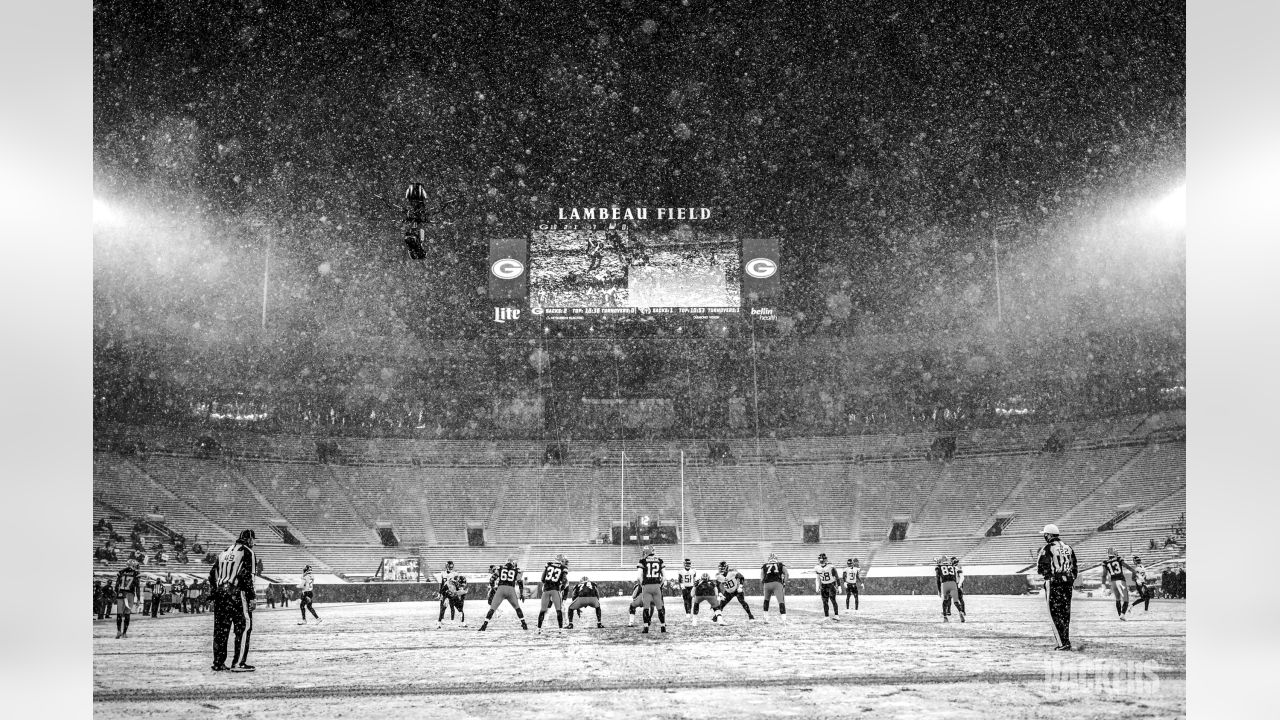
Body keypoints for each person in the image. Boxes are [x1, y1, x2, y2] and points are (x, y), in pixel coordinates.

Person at [210, 529, 257, 672]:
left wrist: (214, 593)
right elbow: (246, 576)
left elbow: (212, 574)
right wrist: (251, 597)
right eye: (253, 540)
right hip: (236, 594)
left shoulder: (224, 552)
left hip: (220, 594)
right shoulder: (248, 552)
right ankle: (238, 662)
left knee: (220, 630)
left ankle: (218, 662)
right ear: (249, 540)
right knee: (244, 627)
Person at [1036, 524, 1078, 651]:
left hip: (1054, 582)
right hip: (1067, 582)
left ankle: (1062, 643)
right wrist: (1070, 578)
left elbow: (1041, 567)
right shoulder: (1068, 547)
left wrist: (1049, 576)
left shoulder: (1048, 548)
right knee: (1065, 613)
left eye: (1045, 534)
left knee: (1054, 614)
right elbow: (1074, 565)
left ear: (1048, 535)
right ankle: (1066, 639)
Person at [477, 556, 528, 631]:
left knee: (492, 608)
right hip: (511, 589)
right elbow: (520, 582)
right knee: (517, 608)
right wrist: (521, 594)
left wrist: (493, 587)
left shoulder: (501, 568)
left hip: (501, 589)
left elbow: (492, 579)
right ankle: (524, 624)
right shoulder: (515, 570)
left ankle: (484, 625)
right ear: (513, 563)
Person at [636, 545, 667, 634]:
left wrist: (642, 585)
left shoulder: (642, 561)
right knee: (660, 608)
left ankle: (646, 627)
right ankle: (663, 626)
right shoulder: (660, 560)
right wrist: (659, 585)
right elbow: (664, 577)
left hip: (647, 586)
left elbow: (639, 576)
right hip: (657, 586)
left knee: (646, 608)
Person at [536, 554, 569, 632]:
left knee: (543, 610)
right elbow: (564, 580)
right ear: (561, 560)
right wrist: (561, 587)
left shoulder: (548, 565)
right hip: (555, 590)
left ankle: (538, 628)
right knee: (558, 610)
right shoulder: (563, 568)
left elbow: (542, 578)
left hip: (546, 590)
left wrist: (547, 583)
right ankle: (560, 629)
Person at [113, 558, 142, 638]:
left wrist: (117, 594)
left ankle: (118, 631)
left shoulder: (121, 572)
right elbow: (137, 588)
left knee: (119, 614)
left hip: (121, 593)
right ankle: (124, 633)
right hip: (130, 594)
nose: (137, 567)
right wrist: (138, 599)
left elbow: (116, 587)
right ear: (132, 565)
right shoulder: (136, 573)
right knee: (127, 614)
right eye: (136, 566)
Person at [1100, 548, 1133, 620]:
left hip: (1113, 582)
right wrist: (1134, 571)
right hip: (1121, 580)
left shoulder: (1105, 562)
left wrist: (1103, 585)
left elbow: (1104, 575)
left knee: (1117, 599)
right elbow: (1126, 566)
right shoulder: (1118, 559)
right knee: (1126, 600)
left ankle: (1119, 615)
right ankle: (1122, 615)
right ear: (1114, 553)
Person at [760, 553, 789, 622]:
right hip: (777, 584)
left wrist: (764, 583)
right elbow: (786, 574)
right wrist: (784, 582)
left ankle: (765, 618)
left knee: (766, 600)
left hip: (767, 584)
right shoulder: (780, 564)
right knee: (781, 601)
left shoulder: (764, 566)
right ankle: (783, 619)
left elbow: (762, 576)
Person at [936, 555, 965, 622]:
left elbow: (938, 579)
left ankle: (945, 616)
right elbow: (958, 572)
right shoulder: (953, 566)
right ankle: (960, 612)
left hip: (945, 584)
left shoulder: (938, 567)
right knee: (956, 601)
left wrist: (939, 590)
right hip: (953, 584)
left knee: (945, 601)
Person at [813, 553, 841, 620]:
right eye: (820, 560)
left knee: (833, 600)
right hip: (823, 585)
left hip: (831, 584)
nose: (821, 562)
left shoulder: (831, 566)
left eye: (823, 560)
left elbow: (836, 576)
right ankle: (826, 616)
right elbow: (818, 577)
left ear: (826, 559)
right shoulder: (817, 567)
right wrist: (817, 586)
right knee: (824, 601)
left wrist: (839, 586)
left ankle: (836, 615)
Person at [436, 561, 459, 629]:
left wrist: (456, 592)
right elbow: (441, 584)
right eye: (449, 567)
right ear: (447, 566)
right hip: (445, 592)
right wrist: (440, 593)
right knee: (443, 607)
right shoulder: (443, 574)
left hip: (451, 592)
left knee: (452, 606)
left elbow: (457, 584)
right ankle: (440, 620)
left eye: (452, 567)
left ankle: (452, 619)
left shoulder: (455, 574)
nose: (451, 568)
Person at [674, 558, 698, 623]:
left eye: (689, 563)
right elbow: (679, 579)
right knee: (685, 600)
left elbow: (695, 579)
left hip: (691, 586)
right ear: (684, 564)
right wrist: (682, 586)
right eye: (687, 563)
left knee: (690, 599)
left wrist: (695, 586)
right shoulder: (681, 571)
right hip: (684, 587)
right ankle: (687, 612)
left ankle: (689, 612)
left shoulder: (693, 571)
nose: (688, 565)